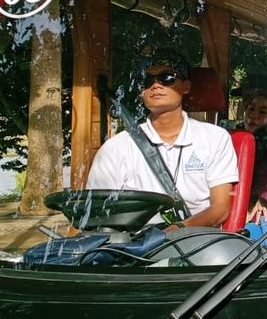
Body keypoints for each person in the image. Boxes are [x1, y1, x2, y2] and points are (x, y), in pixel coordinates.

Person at [87, 48, 238, 227]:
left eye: (167, 78)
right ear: (141, 91)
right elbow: (98, 213)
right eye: (147, 80)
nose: (156, 85)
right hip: (136, 245)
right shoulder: (115, 148)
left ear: (186, 86)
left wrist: (178, 230)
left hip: (197, 243)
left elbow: (220, 209)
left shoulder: (215, 139)